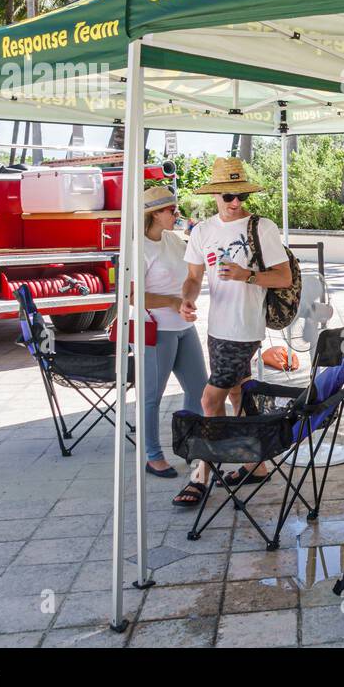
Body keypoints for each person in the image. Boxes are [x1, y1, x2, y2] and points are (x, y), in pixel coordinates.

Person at [173, 157, 293, 507]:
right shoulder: (202, 231)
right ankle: (256, 463)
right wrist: (187, 300)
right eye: (227, 195)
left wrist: (248, 276)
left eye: (241, 195)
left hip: (245, 326)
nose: (235, 202)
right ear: (215, 196)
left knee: (210, 399)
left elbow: (283, 277)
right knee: (239, 391)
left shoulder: (262, 227)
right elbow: (194, 278)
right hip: (217, 326)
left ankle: (202, 473)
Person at [137, 186, 208, 479]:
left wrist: (188, 301)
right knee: (152, 396)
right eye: (171, 209)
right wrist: (172, 302)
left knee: (199, 390)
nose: (176, 213)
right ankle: (153, 456)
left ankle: (192, 447)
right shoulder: (138, 248)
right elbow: (131, 296)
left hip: (184, 327)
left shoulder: (174, 241)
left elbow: (193, 274)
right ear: (154, 214)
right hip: (158, 330)